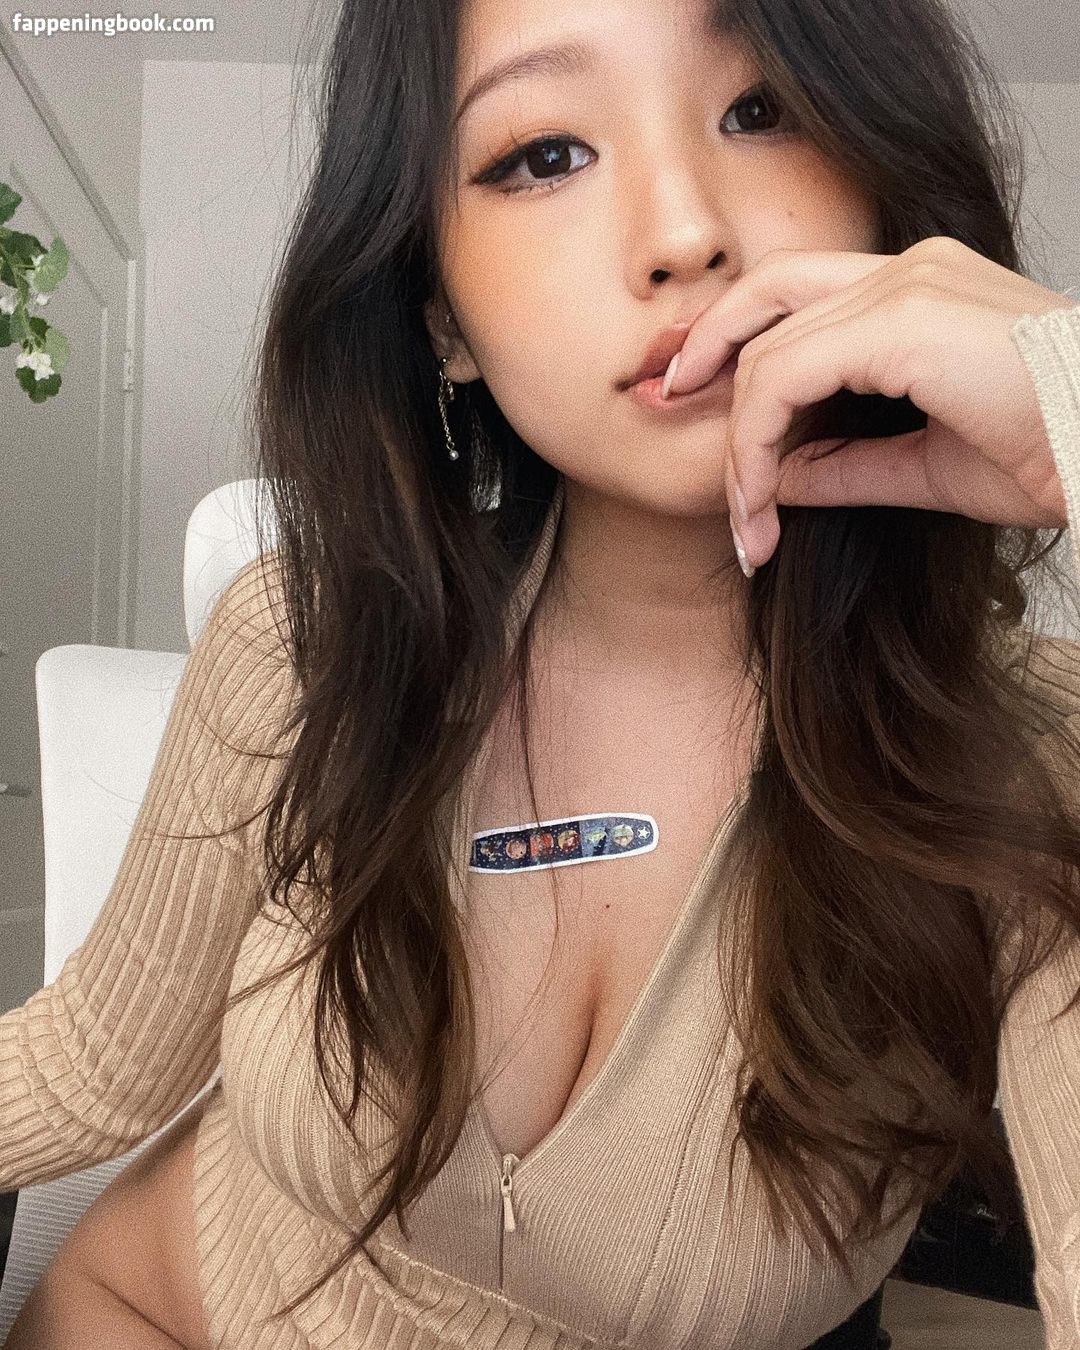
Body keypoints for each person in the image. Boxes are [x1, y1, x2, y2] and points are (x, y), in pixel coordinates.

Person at [4, 0, 1080, 1345]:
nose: (685, 230)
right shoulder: (304, 644)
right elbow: (90, 1070)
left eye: (762, 109)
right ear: (442, 320)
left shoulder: (1033, 764)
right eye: (544, 155)